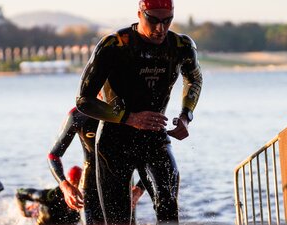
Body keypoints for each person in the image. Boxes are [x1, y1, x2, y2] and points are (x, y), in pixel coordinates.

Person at [76, 0, 203, 224]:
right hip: (114, 143)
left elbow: (194, 78)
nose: (160, 29)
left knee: (168, 208)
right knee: (119, 220)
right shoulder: (115, 45)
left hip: (154, 137)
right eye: (153, 20)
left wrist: (186, 115)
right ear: (139, 14)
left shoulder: (181, 45)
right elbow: (84, 101)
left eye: (167, 21)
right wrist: (130, 118)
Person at [48, 107, 148, 225]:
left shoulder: (132, 113)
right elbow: (53, 155)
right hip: (90, 187)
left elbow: (153, 159)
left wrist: (139, 189)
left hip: (123, 188)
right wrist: (65, 185)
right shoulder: (79, 114)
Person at [16, 166, 82, 225]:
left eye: (79, 184)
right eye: (73, 184)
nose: (76, 190)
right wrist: (24, 212)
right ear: (67, 184)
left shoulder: (85, 201)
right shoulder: (51, 196)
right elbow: (20, 194)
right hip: (44, 219)